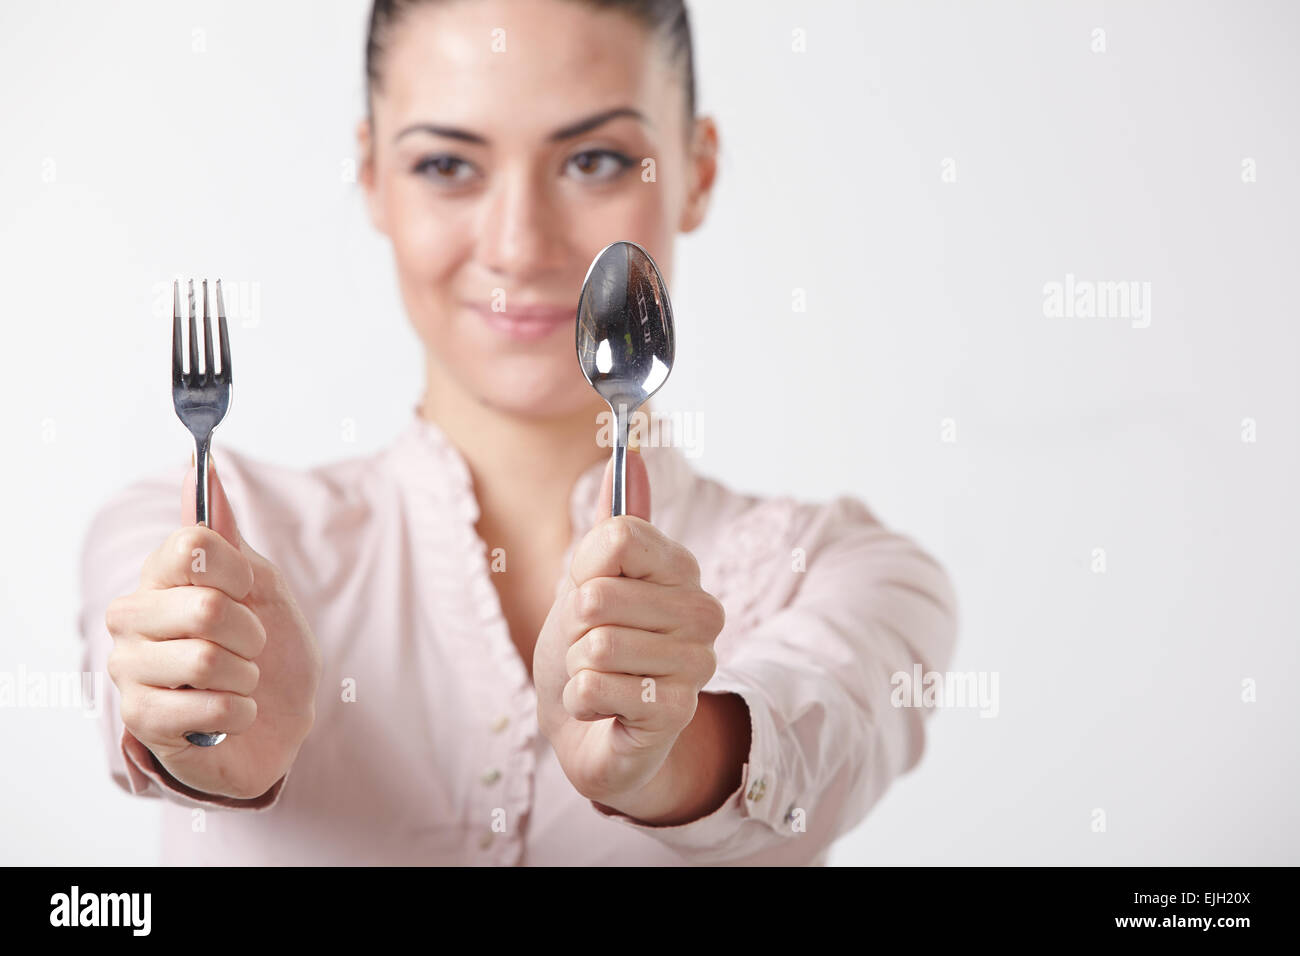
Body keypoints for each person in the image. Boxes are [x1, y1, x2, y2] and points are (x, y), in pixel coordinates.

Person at [79, 0, 958, 865]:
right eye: (448, 166)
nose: (519, 244)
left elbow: (820, 735)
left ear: (696, 171)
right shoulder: (197, 528)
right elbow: (140, 688)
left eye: (595, 159)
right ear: (373, 177)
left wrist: (658, 755)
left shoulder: (852, 574)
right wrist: (206, 740)